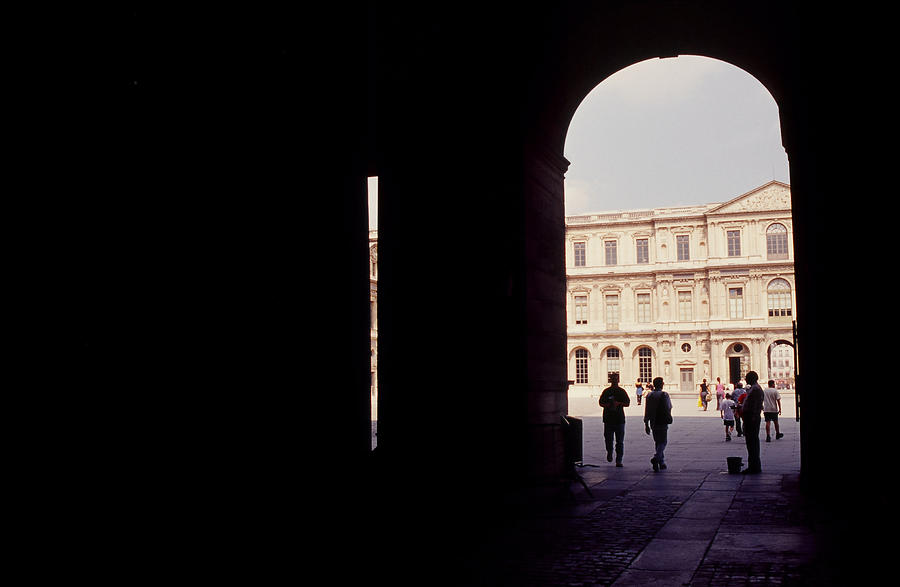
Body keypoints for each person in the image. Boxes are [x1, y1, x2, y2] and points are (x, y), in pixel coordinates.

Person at [598, 373, 631, 467]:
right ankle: (609, 451)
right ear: (611, 380)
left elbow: (627, 403)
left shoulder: (622, 391)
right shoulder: (606, 391)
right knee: (608, 439)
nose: (615, 381)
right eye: (613, 379)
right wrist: (608, 405)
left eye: (616, 379)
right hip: (609, 419)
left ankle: (619, 460)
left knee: (619, 441)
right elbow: (600, 403)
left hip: (619, 419)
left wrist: (618, 403)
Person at [643, 376, 673, 472]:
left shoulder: (649, 395)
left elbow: (647, 410)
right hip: (662, 421)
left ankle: (661, 462)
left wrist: (646, 423)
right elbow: (669, 407)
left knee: (657, 442)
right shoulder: (664, 395)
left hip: (653, 421)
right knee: (663, 441)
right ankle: (656, 458)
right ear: (661, 384)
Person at [740, 371, 764, 474]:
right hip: (750, 417)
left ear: (751, 378)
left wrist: (753, 417)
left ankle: (754, 467)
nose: (745, 379)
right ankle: (754, 466)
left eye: (746, 377)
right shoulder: (754, 388)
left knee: (752, 443)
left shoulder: (755, 389)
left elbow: (756, 406)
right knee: (751, 442)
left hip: (751, 418)